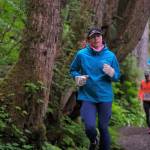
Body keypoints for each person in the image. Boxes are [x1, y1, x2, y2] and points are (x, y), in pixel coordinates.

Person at [70, 28, 120, 150]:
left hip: (105, 97)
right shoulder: (81, 54)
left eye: (98, 36)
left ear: (102, 38)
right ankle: (93, 140)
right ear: (89, 40)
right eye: (93, 37)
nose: (96, 38)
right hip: (87, 96)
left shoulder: (110, 56)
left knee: (103, 127)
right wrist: (78, 77)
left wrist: (112, 73)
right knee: (89, 127)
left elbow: (117, 76)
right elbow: (73, 70)